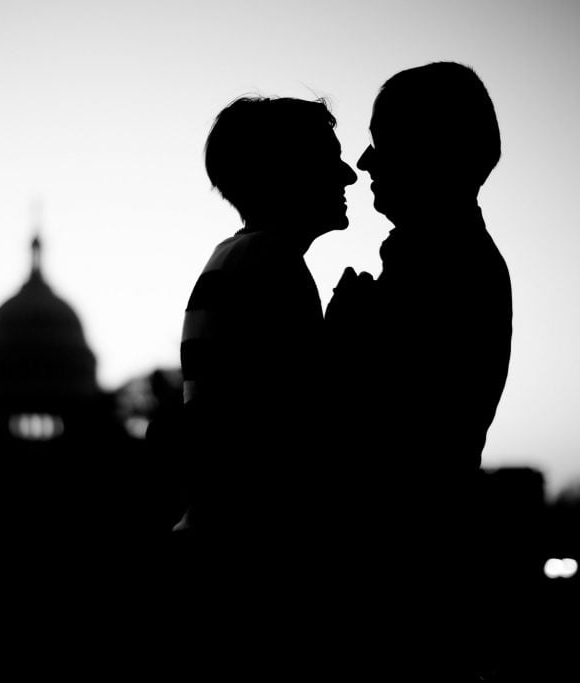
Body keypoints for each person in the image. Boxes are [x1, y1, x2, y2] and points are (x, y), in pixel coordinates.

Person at [326, 62, 513, 680]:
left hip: (396, 582)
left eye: (382, 143)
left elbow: (382, 433)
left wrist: (342, 341)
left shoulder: (444, 270)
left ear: (429, 154)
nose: (363, 161)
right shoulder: (444, 260)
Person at [174, 95, 358, 657]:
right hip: (255, 565)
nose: (349, 174)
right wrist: (348, 341)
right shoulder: (274, 266)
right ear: (287, 173)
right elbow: (300, 431)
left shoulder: (236, 258)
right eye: (330, 160)